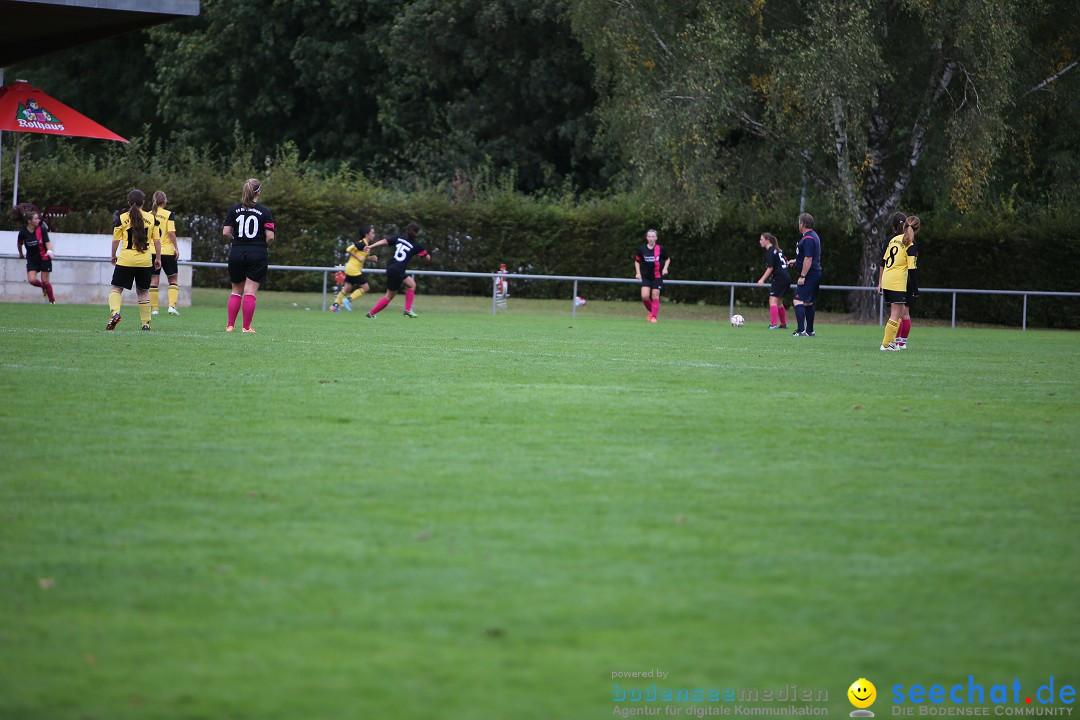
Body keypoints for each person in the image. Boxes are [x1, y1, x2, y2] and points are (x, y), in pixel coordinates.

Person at [223, 178, 275, 333]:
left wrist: (236, 241)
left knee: (235, 291)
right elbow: (270, 236)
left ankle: (230, 326)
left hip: (237, 252)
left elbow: (226, 232)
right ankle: (246, 327)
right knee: (250, 291)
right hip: (257, 252)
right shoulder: (264, 211)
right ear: (258, 192)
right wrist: (261, 246)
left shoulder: (234, 210)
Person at [107, 190, 161, 331]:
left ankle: (115, 313)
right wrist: (158, 259)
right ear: (143, 203)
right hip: (145, 261)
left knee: (116, 288)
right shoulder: (151, 218)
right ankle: (145, 324)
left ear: (129, 203)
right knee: (143, 292)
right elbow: (157, 242)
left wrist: (113, 255)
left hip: (126, 260)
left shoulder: (122, 218)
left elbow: (115, 240)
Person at [365, 222, 429, 319]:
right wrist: (423, 255)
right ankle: (371, 314)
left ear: (407, 231)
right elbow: (427, 258)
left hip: (392, 267)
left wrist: (371, 246)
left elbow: (384, 241)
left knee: (412, 284)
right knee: (389, 296)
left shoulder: (399, 238)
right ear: (416, 233)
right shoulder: (417, 246)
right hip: (398, 270)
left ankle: (407, 310)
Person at [877, 215, 920, 351]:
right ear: (917, 229)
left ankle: (891, 343)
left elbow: (884, 261)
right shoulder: (910, 244)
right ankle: (886, 344)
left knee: (899, 311)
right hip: (897, 281)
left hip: (887, 278)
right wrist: (915, 289)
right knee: (896, 314)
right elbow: (912, 269)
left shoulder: (893, 239)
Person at [13, 204, 56, 303]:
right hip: (32, 259)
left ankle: (52, 301)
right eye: (36, 219)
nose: (38, 221)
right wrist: (21, 254)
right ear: (29, 221)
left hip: (44, 258)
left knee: (45, 281)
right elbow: (19, 244)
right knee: (32, 280)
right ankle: (43, 288)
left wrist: (49, 251)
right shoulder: (23, 232)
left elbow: (48, 243)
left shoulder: (42, 230)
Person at [790, 212, 823, 336]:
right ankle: (810, 330)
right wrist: (796, 261)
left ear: (802, 224)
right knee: (808, 302)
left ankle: (801, 330)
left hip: (810, 274)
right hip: (815, 273)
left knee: (797, 300)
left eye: (799, 222)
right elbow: (807, 257)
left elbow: (808, 259)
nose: (798, 225)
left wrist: (802, 276)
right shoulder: (812, 236)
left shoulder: (808, 238)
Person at [331, 225, 378, 312]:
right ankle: (348, 300)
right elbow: (348, 249)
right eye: (372, 233)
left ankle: (335, 306)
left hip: (350, 269)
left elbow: (362, 257)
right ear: (366, 234)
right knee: (366, 287)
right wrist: (358, 258)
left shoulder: (366, 245)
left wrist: (370, 258)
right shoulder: (362, 243)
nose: (374, 235)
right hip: (354, 269)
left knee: (347, 288)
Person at [149, 191, 181, 316]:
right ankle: (171, 306)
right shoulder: (169, 214)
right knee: (172, 279)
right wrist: (176, 248)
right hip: (167, 251)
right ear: (165, 201)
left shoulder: (147, 215)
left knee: (153, 280)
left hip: (152, 251)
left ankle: (155, 309)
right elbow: (171, 232)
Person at [634, 229, 670, 322]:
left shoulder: (660, 248)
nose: (651, 238)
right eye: (649, 236)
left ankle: (653, 317)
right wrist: (638, 273)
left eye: (653, 236)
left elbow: (667, 259)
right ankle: (652, 311)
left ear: (656, 238)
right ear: (647, 238)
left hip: (657, 275)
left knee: (655, 296)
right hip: (646, 276)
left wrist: (665, 268)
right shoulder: (642, 249)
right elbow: (637, 261)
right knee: (645, 297)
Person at [755, 232, 790, 329]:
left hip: (779, 278)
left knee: (772, 301)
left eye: (761, 239)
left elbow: (770, 268)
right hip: (786, 277)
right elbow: (785, 262)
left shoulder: (770, 252)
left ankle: (773, 325)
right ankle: (783, 324)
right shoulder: (779, 250)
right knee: (779, 302)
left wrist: (761, 279)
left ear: (767, 240)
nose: (760, 241)